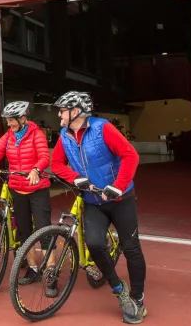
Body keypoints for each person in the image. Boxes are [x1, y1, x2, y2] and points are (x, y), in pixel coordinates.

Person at [49, 91, 146, 324]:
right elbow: (56, 164)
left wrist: (118, 186)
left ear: (75, 112)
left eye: (62, 110)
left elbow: (130, 156)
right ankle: (117, 287)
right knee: (93, 243)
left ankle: (137, 298)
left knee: (131, 247)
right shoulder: (64, 135)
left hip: (120, 199)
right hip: (93, 200)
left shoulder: (103, 128)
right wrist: (75, 178)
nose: (59, 115)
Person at [0, 101, 57, 293]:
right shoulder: (8, 137)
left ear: (23, 118)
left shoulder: (37, 134)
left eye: (12, 121)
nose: (9, 124)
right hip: (18, 189)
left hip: (37, 189)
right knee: (24, 232)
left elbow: (44, 157)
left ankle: (51, 273)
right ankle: (33, 270)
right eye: (7, 121)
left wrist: (35, 169)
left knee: (44, 231)